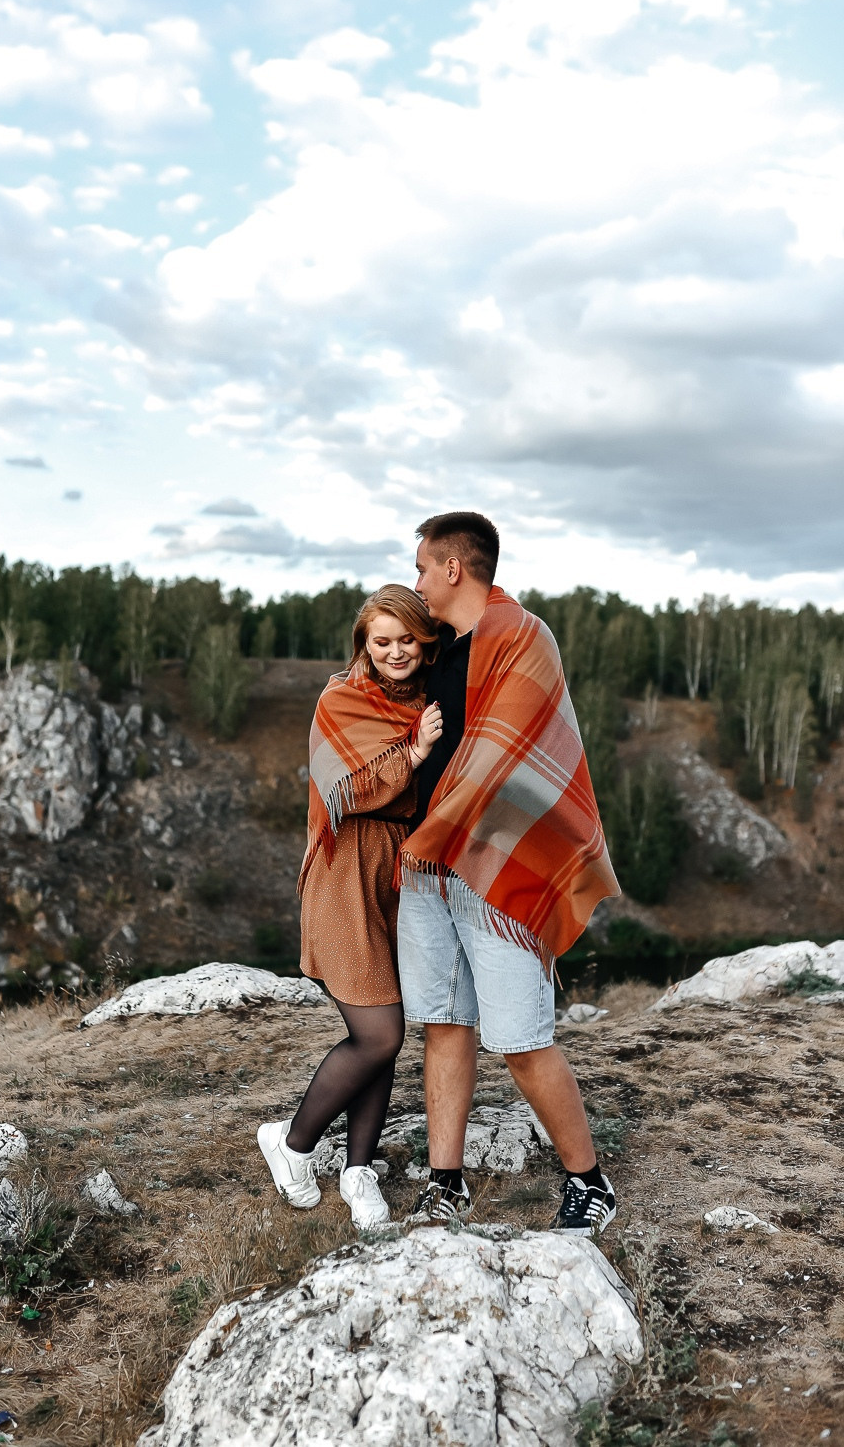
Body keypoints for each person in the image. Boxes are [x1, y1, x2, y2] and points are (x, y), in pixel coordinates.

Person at [397, 511, 622, 1234]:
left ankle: (591, 1183)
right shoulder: (439, 649)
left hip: (497, 869)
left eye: (424, 567)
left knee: (522, 1039)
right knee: (443, 1024)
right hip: (431, 873)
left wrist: (431, 833)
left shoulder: (521, 636)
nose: (418, 580)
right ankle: (446, 1183)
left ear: (455, 567)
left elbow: (504, 761)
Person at [258, 585, 443, 1229]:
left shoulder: (434, 699)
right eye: (381, 640)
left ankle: (358, 1173)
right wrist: (413, 755)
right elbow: (343, 790)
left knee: (384, 1040)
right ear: (363, 644)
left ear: (426, 639)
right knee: (380, 1033)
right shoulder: (341, 700)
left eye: (407, 639)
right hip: (344, 870)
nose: (395, 652)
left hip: (400, 870)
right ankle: (290, 1143)